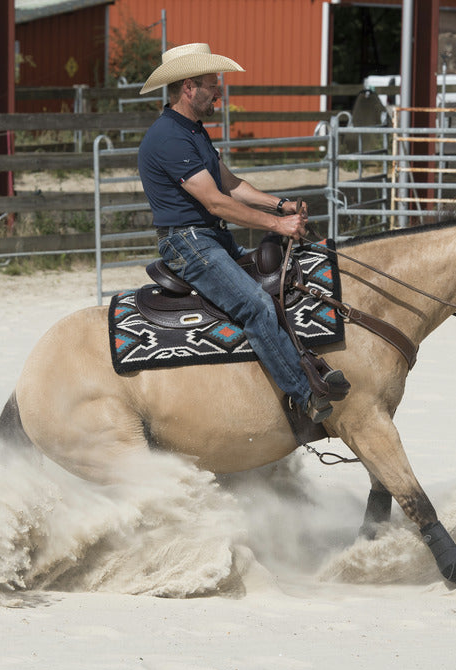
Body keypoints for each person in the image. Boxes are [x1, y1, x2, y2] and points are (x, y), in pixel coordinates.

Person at [137, 43, 346, 423]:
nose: (219, 91)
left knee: (281, 284)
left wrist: (279, 205)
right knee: (255, 304)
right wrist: (276, 224)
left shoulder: (193, 131)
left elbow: (230, 183)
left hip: (207, 237)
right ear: (189, 87)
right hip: (187, 242)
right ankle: (304, 395)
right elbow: (216, 203)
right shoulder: (168, 136)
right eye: (212, 84)